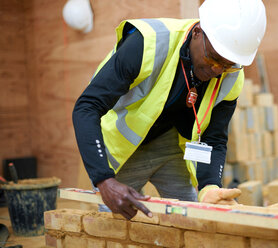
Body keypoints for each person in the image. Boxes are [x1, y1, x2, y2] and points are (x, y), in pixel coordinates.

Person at [72, 0, 266, 220]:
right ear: (198, 32)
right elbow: (86, 107)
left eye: (228, 64)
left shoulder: (231, 75)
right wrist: (104, 180)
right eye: (213, 57)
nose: (217, 69)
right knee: (114, 225)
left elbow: (214, 138)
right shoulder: (147, 44)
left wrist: (210, 186)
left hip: (172, 147)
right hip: (126, 149)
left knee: (188, 222)